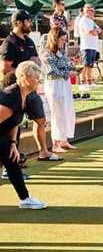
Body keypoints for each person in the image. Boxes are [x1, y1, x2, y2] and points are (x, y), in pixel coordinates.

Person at [0, 10, 61, 166]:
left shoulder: (28, 41)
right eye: (27, 21)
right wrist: (26, 73)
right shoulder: (9, 42)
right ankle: (12, 161)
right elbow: (5, 69)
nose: (30, 24)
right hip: (16, 89)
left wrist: (33, 71)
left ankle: (43, 152)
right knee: (14, 125)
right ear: (19, 23)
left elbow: (36, 61)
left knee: (41, 119)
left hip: (31, 89)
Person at [0, 61, 47, 209]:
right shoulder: (11, 96)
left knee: (12, 163)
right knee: (11, 163)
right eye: (36, 77)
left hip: (3, 136)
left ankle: (25, 199)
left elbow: (14, 122)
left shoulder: (24, 96)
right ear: (24, 77)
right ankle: (25, 198)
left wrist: (12, 143)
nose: (39, 80)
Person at [42, 27, 77, 153]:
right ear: (55, 39)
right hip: (54, 85)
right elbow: (52, 71)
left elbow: (66, 65)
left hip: (64, 84)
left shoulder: (61, 52)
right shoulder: (46, 53)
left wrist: (74, 68)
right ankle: (55, 143)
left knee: (67, 110)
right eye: (62, 40)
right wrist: (69, 73)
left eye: (64, 40)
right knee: (57, 113)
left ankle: (63, 140)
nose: (63, 42)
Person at [78, 4, 102, 91]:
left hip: (93, 46)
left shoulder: (91, 21)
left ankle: (89, 82)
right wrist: (96, 31)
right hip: (86, 46)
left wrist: (96, 31)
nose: (93, 12)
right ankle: (83, 83)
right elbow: (91, 32)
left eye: (93, 11)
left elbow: (99, 30)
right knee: (86, 65)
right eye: (91, 11)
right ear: (86, 11)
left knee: (90, 66)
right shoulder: (83, 20)